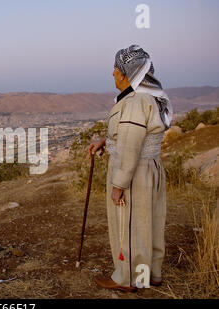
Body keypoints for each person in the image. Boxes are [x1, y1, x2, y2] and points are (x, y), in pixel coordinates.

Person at [88, 44, 173, 292]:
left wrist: (118, 185)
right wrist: (105, 140)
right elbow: (135, 134)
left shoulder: (135, 102)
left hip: (133, 172)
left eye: (116, 68)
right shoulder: (152, 97)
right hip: (150, 168)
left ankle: (126, 278)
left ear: (127, 73)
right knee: (150, 221)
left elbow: (131, 146)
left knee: (127, 223)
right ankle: (151, 273)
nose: (113, 73)